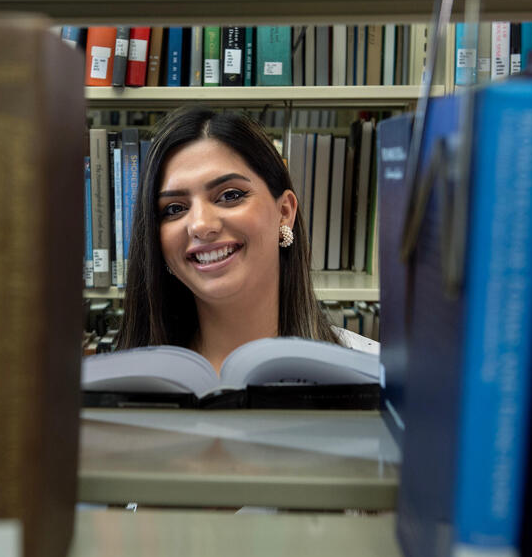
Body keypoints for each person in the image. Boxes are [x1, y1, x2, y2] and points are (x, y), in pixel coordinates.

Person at [116, 106, 375, 373]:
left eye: (230, 195)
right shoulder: (121, 383)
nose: (201, 225)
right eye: (174, 209)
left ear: (284, 212)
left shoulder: (374, 373)